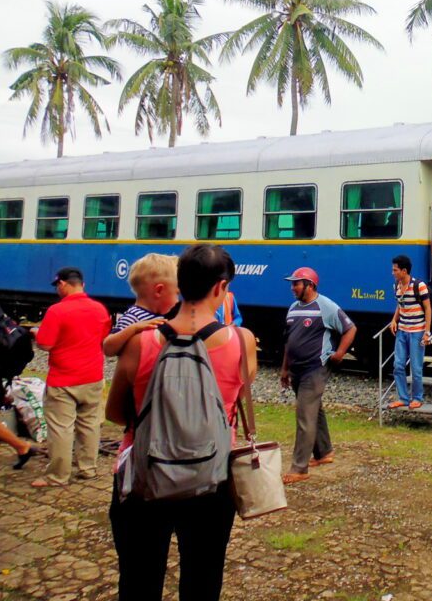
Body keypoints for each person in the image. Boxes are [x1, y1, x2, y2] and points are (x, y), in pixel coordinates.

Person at [106, 244, 258, 601]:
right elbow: (236, 401)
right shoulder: (242, 341)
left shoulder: (140, 342)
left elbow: (115, 414)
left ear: (180, 282)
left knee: (138, 580)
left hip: (142, 479)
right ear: (221, 288)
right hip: (211, 479)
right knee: (203, 580)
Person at [31, 266, 111, 488]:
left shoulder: (56, 311)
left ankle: (58, 475)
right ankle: (88, 469)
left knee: (61, 428)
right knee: (90, 424)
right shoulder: (100, 309)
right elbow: (102, 337)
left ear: (62, 284)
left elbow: (46, 344)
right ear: (82, 284)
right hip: (93, 377)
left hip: (64, 380)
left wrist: (37, 335)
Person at [280, 267, 357, 484]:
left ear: (310, 285)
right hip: (296, 369)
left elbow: (350, 328)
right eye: (292, 283)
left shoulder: (326, 306)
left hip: (315, 369)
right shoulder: (293, 308)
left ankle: (299, 468)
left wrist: (340, 352)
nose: (292, 287)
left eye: (296, 283)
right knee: (315, 410)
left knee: (305, 415)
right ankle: (324, 453)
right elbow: (289, 341)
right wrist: (284, 369)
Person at [102, 253, 179, 357]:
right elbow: (108, 348)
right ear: (159, 291)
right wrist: (133, 329)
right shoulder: (133, 317)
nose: (177, 300)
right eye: (176, 293)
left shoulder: (164, 317)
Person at [388, 255, 432, 410]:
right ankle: (403, 398)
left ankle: (417, 398)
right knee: (398, 365)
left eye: (395, 270)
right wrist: (394, 320)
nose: (392, 272)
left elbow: (427, 308)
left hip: (417, 331)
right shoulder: (397, 286)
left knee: (416, 367)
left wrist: (427, 332)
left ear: (404, 270)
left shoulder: (419, 286)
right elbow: (400, 305)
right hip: (402, 330)